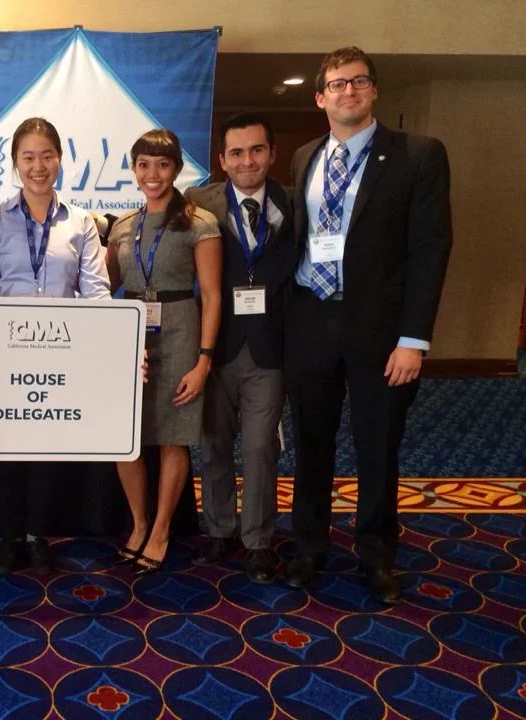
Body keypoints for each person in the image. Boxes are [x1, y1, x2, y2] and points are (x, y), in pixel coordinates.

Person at [285, 47, 453, 603]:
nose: (348, 92)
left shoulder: (418, 155)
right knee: (310, 441)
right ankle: (309, 546)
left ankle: (377, 555)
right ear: (320, 97)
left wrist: (414, 339)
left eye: (358, 81)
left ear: (374, 89)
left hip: (381, 331)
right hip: (311, 317)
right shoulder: (305, 156)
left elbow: (430, 250)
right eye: (337, 84)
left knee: (378, 445)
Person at [0, 117, 111, 573]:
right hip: (6, 355)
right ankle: (9, 536)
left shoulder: (80, 222)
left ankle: (37, 535)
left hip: (60, 356)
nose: (38, 166)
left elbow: (97, 294)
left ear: (60, 160)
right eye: (28, 157)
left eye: (47, 156)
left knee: (48, 450)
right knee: (7, 450)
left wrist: (118, 351)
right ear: (14, 163)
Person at [106, 129, 223, 575]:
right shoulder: (122, 226)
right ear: (133, 169)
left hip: (180, 331)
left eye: (162, 164)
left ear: (175, 169)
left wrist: (204, 359)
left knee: (173, 434)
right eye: (143, 165)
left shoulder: (199, 223)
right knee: (126, 436)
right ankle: (138, 524)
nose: (152, 174)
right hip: (129, 333)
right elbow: (102, 288)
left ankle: (160, 531)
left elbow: (211, 295)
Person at [186, 113, 296, 584]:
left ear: (272, 154)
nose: (247, 160)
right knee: (213, 445)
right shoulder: (198, 204)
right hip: (214, 345)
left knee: (258, 449)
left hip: (270, 347)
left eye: (256, 150)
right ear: (222, 160)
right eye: (236, 152)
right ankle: (219, 529)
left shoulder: (295, 204)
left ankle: (257, 541)